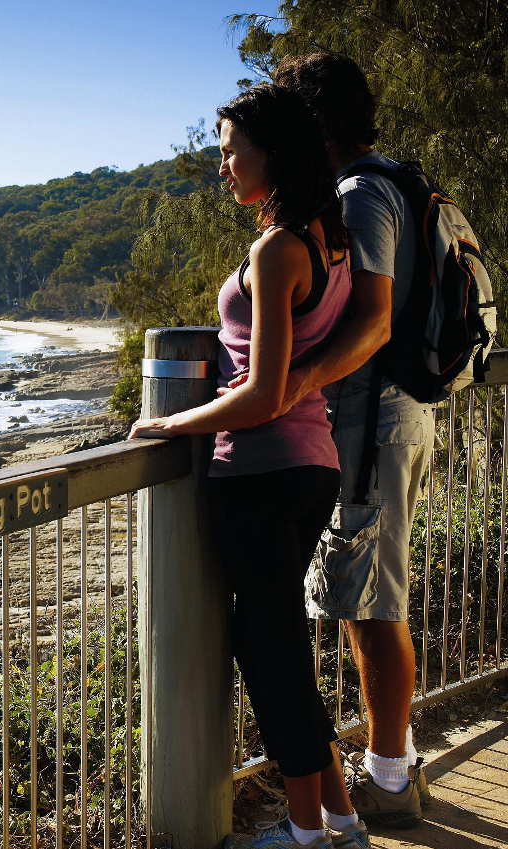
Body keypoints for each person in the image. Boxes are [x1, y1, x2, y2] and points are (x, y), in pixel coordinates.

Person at [129, 83, 367, 849]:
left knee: (271, 654)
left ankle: (304, 832)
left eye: (233, 149)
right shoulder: (330, 241)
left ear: (275, 152)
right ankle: (340, 817)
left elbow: (261, 391)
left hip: (262, 471)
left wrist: (171, 419)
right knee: (280, 647)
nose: (223, 164)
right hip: (309, 464)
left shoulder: (276, 249)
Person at [253, 53, 429, 828]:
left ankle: (389, 780)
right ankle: (393, 763)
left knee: (373, 604)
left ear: (310, 122)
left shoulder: (359, 195)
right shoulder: (390, 179)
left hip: (370, 423)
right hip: (385, 420)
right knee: (370, 598)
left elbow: (376, 320)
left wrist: (293, 383)